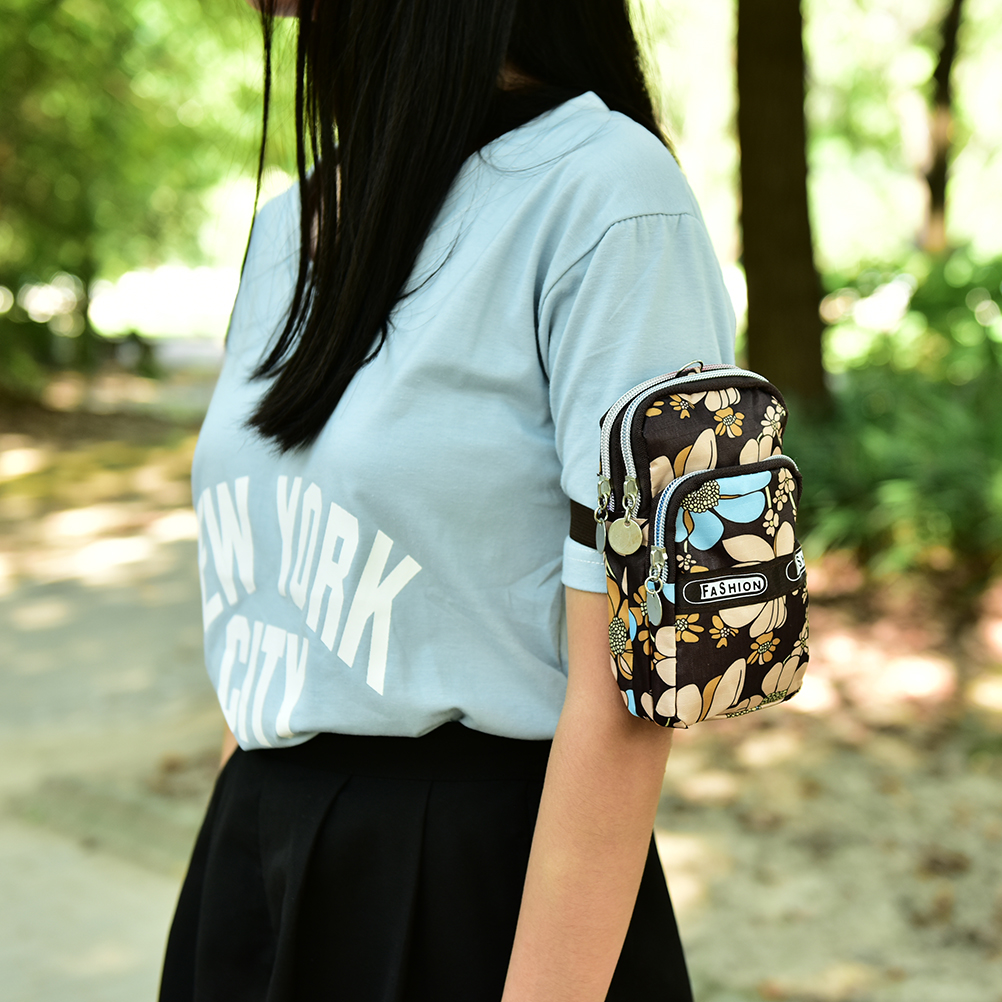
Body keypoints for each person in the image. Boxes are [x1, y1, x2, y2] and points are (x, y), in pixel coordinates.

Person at [159, 1, 735, 999]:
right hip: (252, 867)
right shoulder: (291, 223)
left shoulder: (607, 196)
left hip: (475, 891)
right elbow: (275, 610)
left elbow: (639, 685)